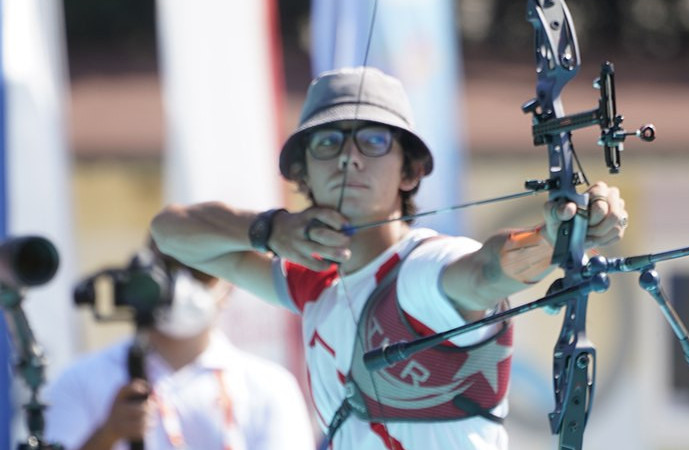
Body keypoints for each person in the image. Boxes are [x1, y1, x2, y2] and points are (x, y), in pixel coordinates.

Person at [150, 66, 629, 450]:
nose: (348, 158)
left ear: (410, 171)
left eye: (373, 141)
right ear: (303, 173)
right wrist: (269, 229)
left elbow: (486, 271)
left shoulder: (422, 271)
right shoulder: (314, 283)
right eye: (328, 142)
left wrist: (563, 234)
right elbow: (170, 234)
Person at [43, 241, 315, 450]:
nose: (182, 283)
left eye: (200, 271)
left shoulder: (271, 386)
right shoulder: (79, 379)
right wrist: (108, 435)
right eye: (168, 267)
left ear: (230, 287)